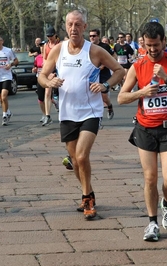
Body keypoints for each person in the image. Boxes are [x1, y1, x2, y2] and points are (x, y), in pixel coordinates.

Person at [38, 10, 125, 219]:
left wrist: (105, 85)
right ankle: (89, 191)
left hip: (90, 112)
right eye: (70, 24)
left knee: (82, 155)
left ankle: (87, 198)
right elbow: (42, 75)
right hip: (67, 113)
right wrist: (49, 82)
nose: (73, 28)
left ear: (84, 27)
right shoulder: (58, 50)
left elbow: (120, 71)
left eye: (77, 25)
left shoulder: (94, 51)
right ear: (65, 27)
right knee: (75, 161)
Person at [117, 22, 167, 241]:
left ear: (164, 42)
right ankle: (151, 223)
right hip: (145, 128)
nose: (152, 50)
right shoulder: (137, 66)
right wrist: (141, 92)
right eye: (148, 45)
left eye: (156, 45)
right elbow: (121, 97)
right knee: (150, 178)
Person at [89, 29, 116, 120]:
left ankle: (109, 106)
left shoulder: (105, 46)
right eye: (90, 36)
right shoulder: (87, 47)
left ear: (98, 36)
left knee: (104, 97)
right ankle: (97, 118)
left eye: (94, 36)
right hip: (92, 75)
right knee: (93, 97)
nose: (92, 38)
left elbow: (114, 56)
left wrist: (104, 65)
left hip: (103, 74)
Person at [42, 27, 60, 126]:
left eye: (51, 36)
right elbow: (45, 59)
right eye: (48, 36)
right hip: (50, 69)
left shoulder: (60, 44)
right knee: (47, 91)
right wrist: (48, 71)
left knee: (62, 90)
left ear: (55, 35)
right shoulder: (46, 45)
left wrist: (56, 72)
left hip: (59, 69)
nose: (50, 38)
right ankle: (48, 115)